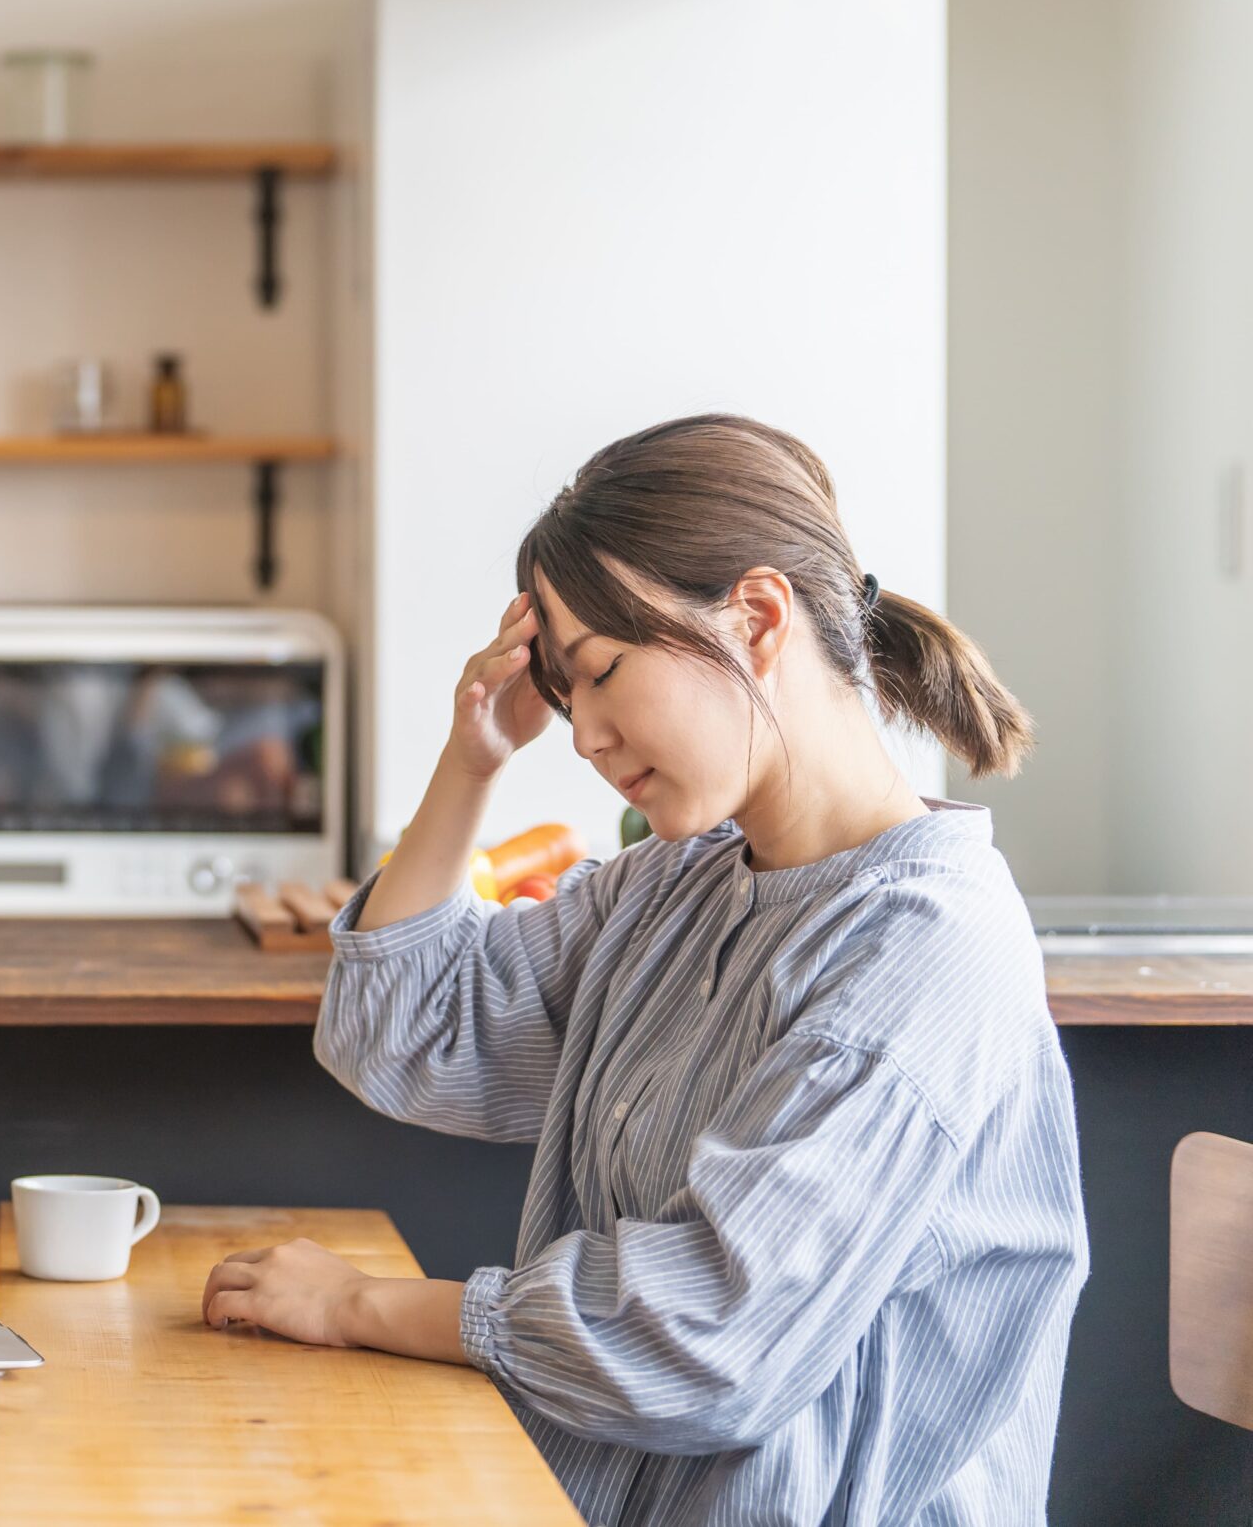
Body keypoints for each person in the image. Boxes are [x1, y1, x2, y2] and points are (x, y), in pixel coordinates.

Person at [201, 414, 1086, 1526]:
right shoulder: (681, 884)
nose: (584, 736)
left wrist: (364, 1305)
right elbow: (401, 1034)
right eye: (566, 695)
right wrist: (471, 759)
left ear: (757, 618)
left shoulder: (922, 951)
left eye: (602, 674)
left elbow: (709, 1343)